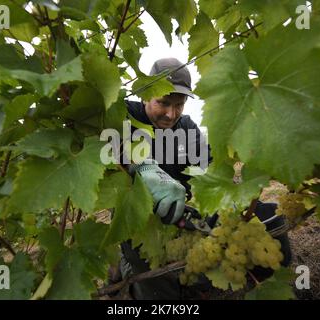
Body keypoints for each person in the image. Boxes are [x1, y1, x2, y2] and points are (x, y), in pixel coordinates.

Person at [116, 58, 291, 300]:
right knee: (155, 284)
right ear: (146, 95)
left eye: (179, 105)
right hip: (135, 221)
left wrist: (230, 195)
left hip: (179, 217)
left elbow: (209, 168)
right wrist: (140, 165)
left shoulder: (186, 128)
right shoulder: (124, 113)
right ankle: (125, 274)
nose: (171, 114)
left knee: (203, 255)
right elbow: (99, 137)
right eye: (164, 103)